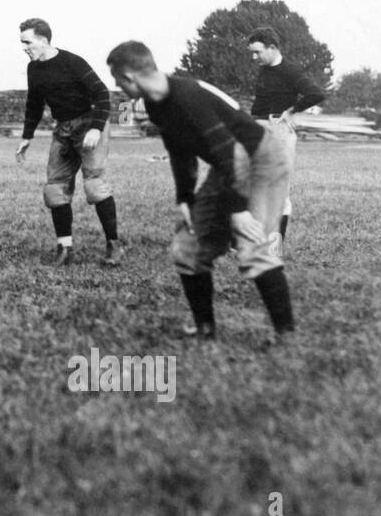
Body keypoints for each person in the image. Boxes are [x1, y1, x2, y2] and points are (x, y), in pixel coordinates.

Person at [106, 40, 295, 343]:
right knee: (188, 247)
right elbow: (180, 150)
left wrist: (237, 210)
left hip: (261, 159)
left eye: (117, 80)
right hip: (228, 163)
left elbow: (230, 150)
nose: (117, 85)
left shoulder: (187, 96)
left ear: (129, 76)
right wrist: (184, 197)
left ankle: (287, 335)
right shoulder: (156, 103)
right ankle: (205, 329)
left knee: (252, 245)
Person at [14, 19, 122, 266]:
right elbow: (34, 104)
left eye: (27, 42)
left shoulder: (72, 62)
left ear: (43, 40)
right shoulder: (33, 69)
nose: (24, 47)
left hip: (88, 124)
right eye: (22, 42)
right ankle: (65, 248)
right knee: (55, 189)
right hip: (63, 129)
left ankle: (114, 246)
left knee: (94, 185)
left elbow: (102, 94)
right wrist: (27, 136)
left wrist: (95, 128)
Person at [246, 27, 326, 241]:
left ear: (272, 48)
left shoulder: (290, 71)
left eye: (258, 52)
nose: (254, 57)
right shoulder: (264, 69)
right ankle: (246, 242)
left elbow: (316, 93)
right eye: (252, 53)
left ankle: (274, 248)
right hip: (257, 129)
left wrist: (291, 110)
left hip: (278, 131)